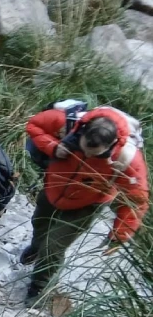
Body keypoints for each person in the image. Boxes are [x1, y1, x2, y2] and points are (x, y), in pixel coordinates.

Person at [21, 106, 149, 305]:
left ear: (112, 143)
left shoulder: (128, 159)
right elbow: (34, 124)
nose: (88, 154)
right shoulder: (67, 122)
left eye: (95, 152)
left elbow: (136, 200)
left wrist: (119, 235)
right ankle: (36, 247)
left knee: (53, 247)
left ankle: (39, 287)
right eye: (84, 147)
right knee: (39, 222)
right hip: (53, 187)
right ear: (83, 130)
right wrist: (53, 147)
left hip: (88, 202)